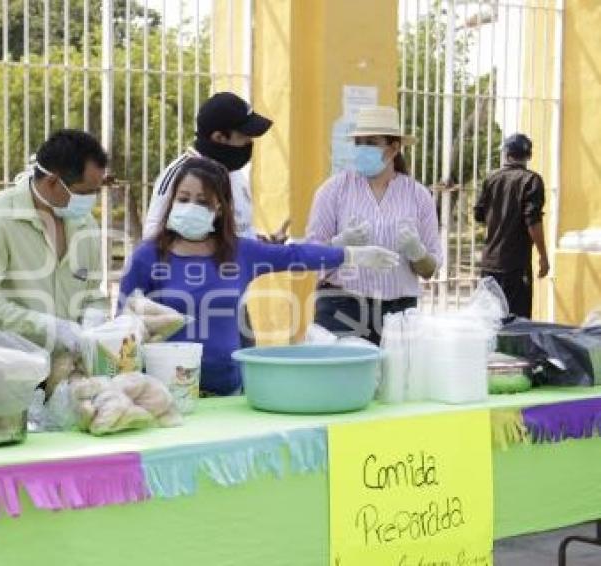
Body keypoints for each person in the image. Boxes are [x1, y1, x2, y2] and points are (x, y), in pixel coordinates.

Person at [120, 157, 399, 395]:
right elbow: (123, 322)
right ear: (171, 202)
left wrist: (350, 255)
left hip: (227, 389)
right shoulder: (149, 256)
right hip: (166, 390)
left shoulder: (241, 253)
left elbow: (296, 256)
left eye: (203, 201)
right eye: (183, 198)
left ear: (219, 208)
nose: (190, 206)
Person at [0, 129, 110, 354]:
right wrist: (46, 327)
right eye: (85, 192)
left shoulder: (85, 224)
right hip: (3, 365)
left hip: (65, 366)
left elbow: (92, 294)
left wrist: (94, 317)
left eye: (96, 191)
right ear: (52, 182)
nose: (91, 200)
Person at [305, 105, 442, 344]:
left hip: (398, 312)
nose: (362, 149)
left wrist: (416, 251)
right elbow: (310, 256)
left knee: (394, 378)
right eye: (359, 143)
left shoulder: (418, 196)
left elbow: (430, 270)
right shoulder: (334, 190)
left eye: (371, 142)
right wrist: (340, 244)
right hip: (342, 306)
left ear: (394, 148)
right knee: (344, 377)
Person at [142, 91, 286, 242]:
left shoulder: (234, 174)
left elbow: (240, 233)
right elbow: (153, 238)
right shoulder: (180, 176)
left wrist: (266, 244)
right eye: (244, 136)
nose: (249, 142)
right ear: (219, 137)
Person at [474, 133, 548, 319]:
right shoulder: (532, 181)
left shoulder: (491, 179)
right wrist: (543, 256)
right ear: (528, 156)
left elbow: (479, 215)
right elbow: (533, 221)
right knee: (517, 324)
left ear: (506, 154)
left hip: (490, 264)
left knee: (489, 322)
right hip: (515, 266)